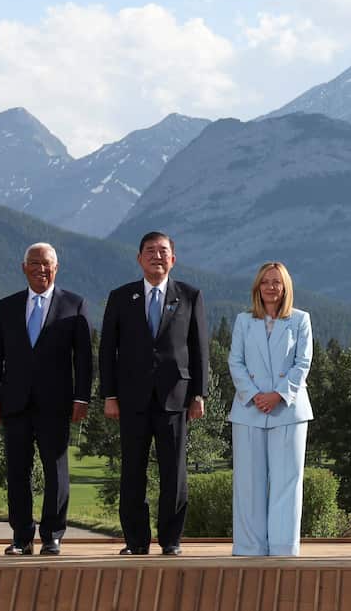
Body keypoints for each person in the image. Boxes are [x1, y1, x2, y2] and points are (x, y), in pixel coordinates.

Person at [100, 231, 209, 556]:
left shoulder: (189, 295)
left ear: (173, 259)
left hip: (176, 396)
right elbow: (108, 350)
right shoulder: (121, 297)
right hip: (131, 398)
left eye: (163, 251)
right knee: (132, 471)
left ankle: (171, 540)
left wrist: (199, 394)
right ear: (138, 258)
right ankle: (135, 541)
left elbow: (199, 348)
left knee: (173, 472)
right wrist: (109, 394)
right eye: (150, 251)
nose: (156, 256)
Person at [0, 243, 93, 556]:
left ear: (56, 268)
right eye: (34, 263)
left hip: (56, 404)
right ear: (23, 268)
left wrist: (82, 398)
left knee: (55, 471)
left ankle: (52, 536)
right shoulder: (7, 306)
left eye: (46, 264)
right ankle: (21, 537)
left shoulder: (75, 304)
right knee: (17, 471)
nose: (40, 269)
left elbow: (84, 360)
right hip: (14, 402)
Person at [228, 261, 314, 556]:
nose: (271, 287)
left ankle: (283, 546)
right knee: (248, 483)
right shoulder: (243, 320)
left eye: (277, 282)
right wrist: (254, 395)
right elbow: (234, 361)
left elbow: (303, 363)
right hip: (248, 409)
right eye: (265, 282)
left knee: (287, 481)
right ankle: (249, 546)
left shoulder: (301, 319)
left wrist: (278, 395)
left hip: (288, 409)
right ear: (257, 287)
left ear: (286, 287)